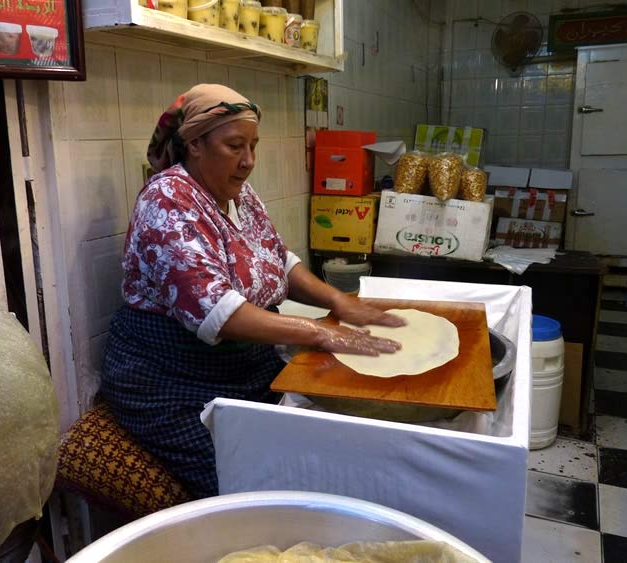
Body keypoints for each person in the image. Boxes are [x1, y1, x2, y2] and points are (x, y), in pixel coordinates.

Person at [101, 84, 405, 500]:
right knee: (247, 483)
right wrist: (318, 332)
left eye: (253, 146)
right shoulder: (167, 201)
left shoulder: (237, 193)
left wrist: (338, 301)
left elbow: (278, 259)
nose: (248, 162)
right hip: (169, 377)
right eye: (234, 146)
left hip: (240, 367)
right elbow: (220, 313)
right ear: (194, 144)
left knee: (316, 449)